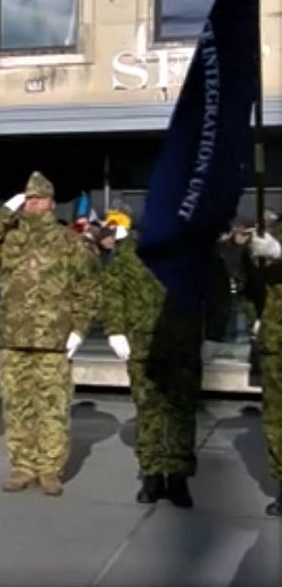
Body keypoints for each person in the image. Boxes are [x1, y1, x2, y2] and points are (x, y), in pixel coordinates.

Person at [0, 172, 100, 497]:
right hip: (15, 337)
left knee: (52, 406)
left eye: (38, 199)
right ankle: (23, 466)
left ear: (51, 203)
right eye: (28, 199)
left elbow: (88, 288)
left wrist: (79, 330)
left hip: (53, 339)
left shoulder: (69, 241)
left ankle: (49, 469)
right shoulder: (11, 238)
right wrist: (4, 212)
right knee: (17, 405)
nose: (33, 204)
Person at [101, 217, 202, 508]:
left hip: (183, 342)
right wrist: (115, 330)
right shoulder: (129, 252)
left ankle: (179, 477)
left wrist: (215, 335)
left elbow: (216, 289)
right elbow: (113, 292)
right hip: (142, 343)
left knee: (181, 412)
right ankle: (152, 474)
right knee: (148, 409)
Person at [246, 222, 282, 516]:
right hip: (274, 341)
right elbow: (249, 285)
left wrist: (280, 253)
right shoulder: (270, 231)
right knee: (276, 419)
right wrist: (256, 315)